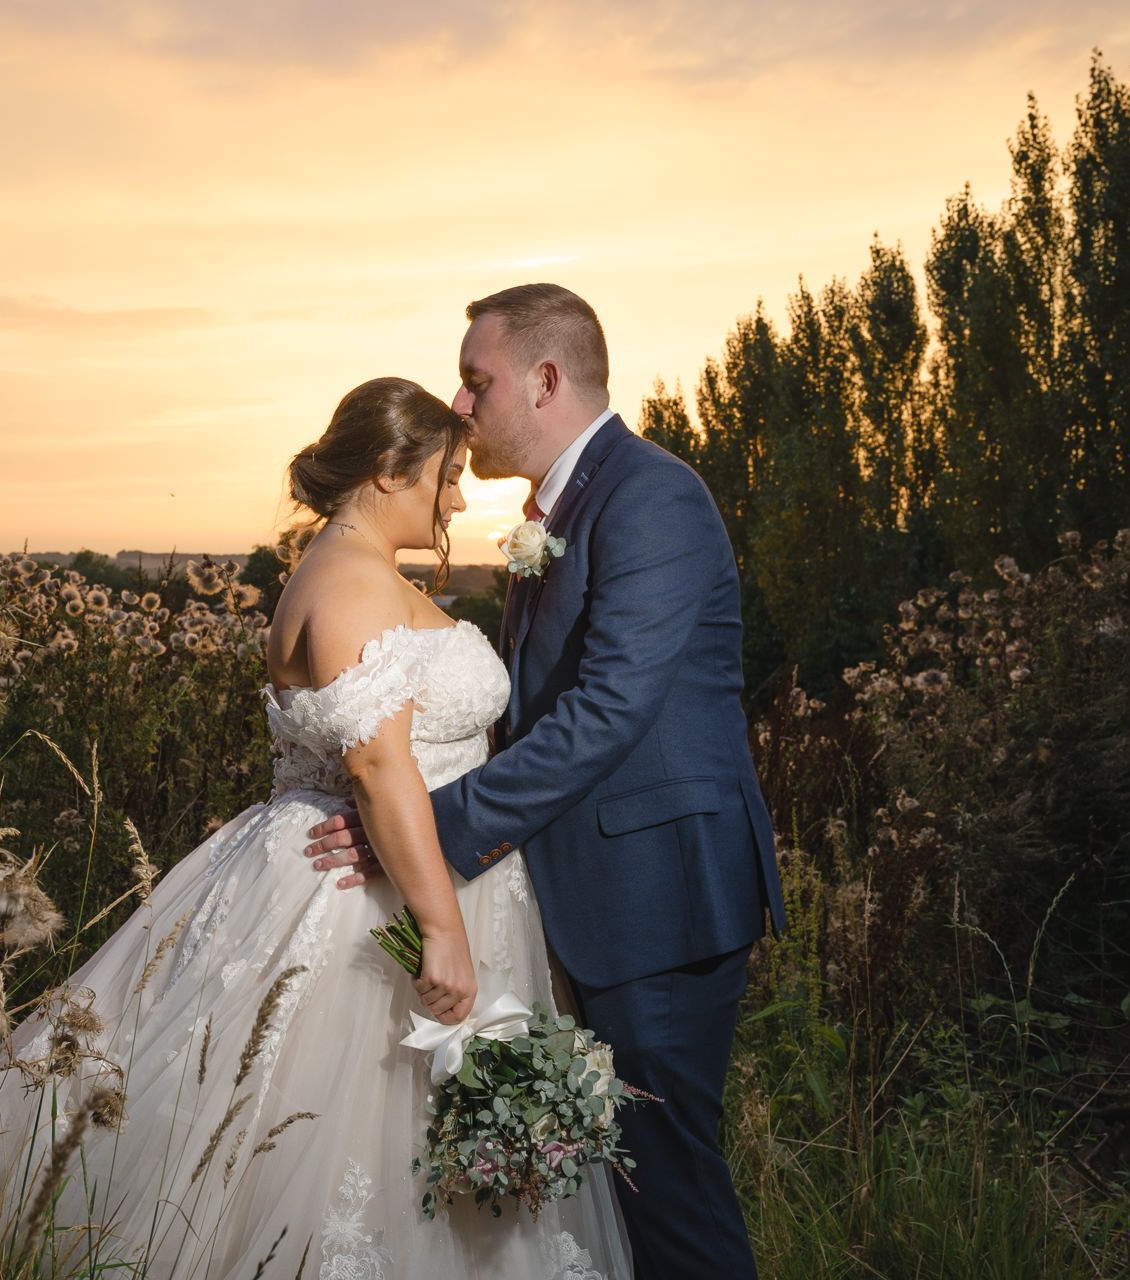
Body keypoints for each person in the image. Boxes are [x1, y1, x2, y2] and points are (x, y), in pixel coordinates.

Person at [0, 376, 632, 1278]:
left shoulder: (354, 572)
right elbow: (379, 768)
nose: (456, 498)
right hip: (366, 899)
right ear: (387, 468)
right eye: (444, 476)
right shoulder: (346, 584)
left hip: (421, 873)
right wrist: (443, 932)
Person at [306, 284, 787, 1280]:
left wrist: (420, 828)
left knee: (669, 1188)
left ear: (545, 379)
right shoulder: (557, 511)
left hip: (661, 897)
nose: (462, 404)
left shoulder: (651, 495)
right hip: (584, 899)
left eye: (477, 381)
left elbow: (607, 711)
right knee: (613, 1187)